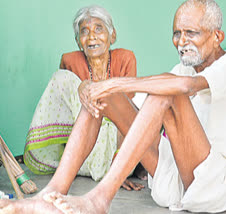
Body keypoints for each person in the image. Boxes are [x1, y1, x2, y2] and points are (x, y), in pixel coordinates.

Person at [0, 0, 226, 213]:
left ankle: (100, 198)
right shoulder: (180, 69)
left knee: (167, 88)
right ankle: (51, 193)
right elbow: (134, 112)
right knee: (108, 98)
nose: (181, 41)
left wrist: (114, 83)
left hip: (218, 186)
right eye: (177, 33)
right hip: (173, 181)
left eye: (191, 33)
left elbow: (185, 86)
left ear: (217, 36)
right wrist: (98, 90)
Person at [23, 5, 144, 188]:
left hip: (116, 151)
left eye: (98, 29)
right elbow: (64, 109)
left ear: (112, 36)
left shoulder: (126, 58)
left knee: (145, 98)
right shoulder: (69, 61)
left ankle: (128, 166)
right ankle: (67, 165)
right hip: (82, 153)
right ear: (79, 41)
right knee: (60, 78)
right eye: (84, 31)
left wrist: (118, 170)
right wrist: (82, 86)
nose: (92, 36)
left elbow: (125, 115)